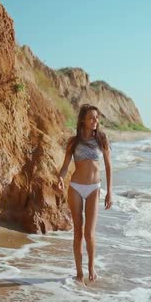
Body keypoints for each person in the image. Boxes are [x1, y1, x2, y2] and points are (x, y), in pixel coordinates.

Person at [57, 104, 112, 284]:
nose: (95, 121)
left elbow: (109, 167)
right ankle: (79, 273)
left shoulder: (102, 139)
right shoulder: (73, 142)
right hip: (75, 187)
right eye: (91, 118)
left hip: (94, 188)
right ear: (83, 120)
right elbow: (65, 166)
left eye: (97, 117)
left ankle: (91, 268)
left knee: (89, 233)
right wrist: (60, 178)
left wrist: (109, 192)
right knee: (78, 233)